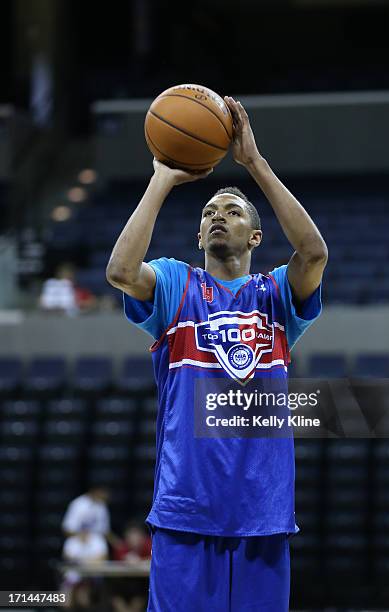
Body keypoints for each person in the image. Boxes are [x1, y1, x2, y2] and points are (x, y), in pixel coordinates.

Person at [106, 96, 327, 611]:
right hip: (186, 511)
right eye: (209, 212)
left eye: (232, 210)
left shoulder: (274, 296)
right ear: (199, 234)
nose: (218, 216)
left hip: (264, 513)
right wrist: (163, 177)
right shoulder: (175, 284)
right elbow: (119, 271)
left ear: (255, 235)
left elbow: (314, 253)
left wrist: (254, 163)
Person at [61, 523, 108, 609]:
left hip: (91, 576)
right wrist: (89, 561)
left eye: (86, 530)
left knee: (83, 598)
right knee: (65, 600)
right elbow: (67, 558)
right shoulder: (71, 541)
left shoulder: (97, 540)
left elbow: (101, 559)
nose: (84, 532)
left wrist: (81, 561)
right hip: (72, 577)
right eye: (82, 530)